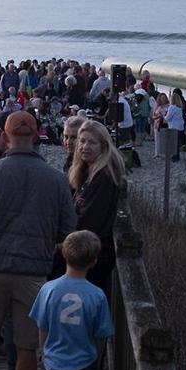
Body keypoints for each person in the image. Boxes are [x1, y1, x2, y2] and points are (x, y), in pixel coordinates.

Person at [0, 111, 77, 370]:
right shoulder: (55, 179)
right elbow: (68, 229)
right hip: (33, 271)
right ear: (36, 135)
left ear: (3, 136)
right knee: (28, 346)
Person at [30, 230, 115, 370]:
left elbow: (42, 327)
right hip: (85, 366)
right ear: (93, 261)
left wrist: (44, 353)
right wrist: (96, 362)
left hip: (54, 366)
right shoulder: (97, 295)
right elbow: (101, 336)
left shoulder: (48, 289)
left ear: (64, 254)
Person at [68, 120, 126, 293]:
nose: (85, 146)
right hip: (84, 248)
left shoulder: (104, 176)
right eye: (82, 141)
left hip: (92, 255)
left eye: (92, 142)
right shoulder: (87, 170)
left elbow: (90, 220)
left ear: (103, 146)